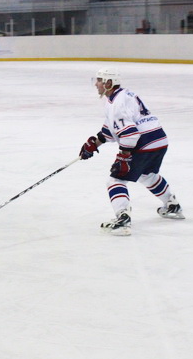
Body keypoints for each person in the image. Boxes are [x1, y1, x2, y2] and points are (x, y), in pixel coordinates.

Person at [78, 68, 184, 236]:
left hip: (143, 142)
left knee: (115, 180)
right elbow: (112, 129)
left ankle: (123, 220)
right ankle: (172, 205)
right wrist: (94, 144)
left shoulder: (117, 103)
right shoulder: (122, 96)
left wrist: (124, 156)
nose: (96, 84)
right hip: (159, 139)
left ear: (109, 83)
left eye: (99, 80)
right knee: (147, 175)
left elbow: (130, 134)